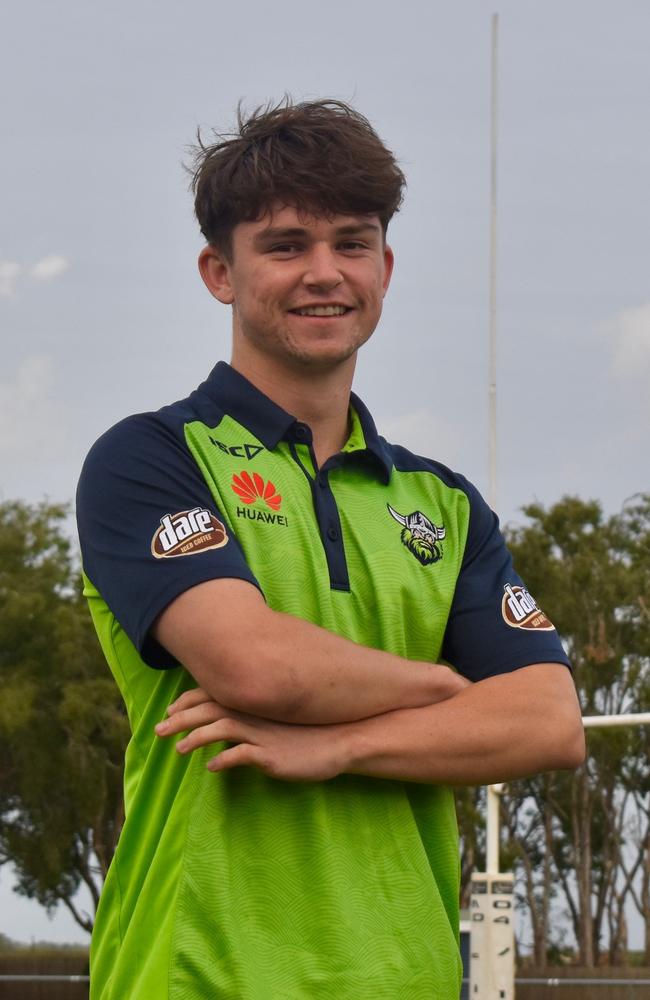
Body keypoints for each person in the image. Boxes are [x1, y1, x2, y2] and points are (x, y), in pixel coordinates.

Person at [76, 99, 585, 1000]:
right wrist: (445, 690)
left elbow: (548, 721)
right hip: (201, 975)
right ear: (218, 271)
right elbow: (255, 667)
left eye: (352, 243)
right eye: (286, 245)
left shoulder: (442, 504)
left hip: (409, 977)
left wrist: (338, 747)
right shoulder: (148, 458)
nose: (325, 273)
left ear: (385, 268)